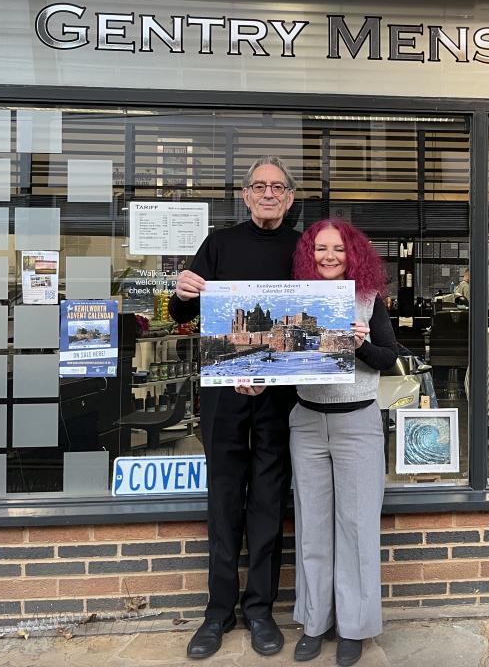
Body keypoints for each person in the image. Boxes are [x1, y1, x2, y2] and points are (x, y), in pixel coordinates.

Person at [169, 156, 299, 660]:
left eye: (278, 187)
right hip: (224, 391)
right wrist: (181, 290)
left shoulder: (303, 248)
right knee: (223, 501)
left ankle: (261, 610)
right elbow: (183, 310)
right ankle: (217, 612)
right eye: (259, 186)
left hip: (282, 394)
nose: (268, 194)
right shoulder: (220, 243)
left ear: (289, 198)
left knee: (269, 503)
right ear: (246, 195)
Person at [289, 220, 398, 667]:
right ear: (308, 254)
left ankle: (352, 627)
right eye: (320, 249)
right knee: (312, 527)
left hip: (357, 424)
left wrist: (360, 343)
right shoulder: (296, 300)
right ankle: (315, 622)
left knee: (355, 528)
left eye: (337, 248)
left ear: (352, 253)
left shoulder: (368, 300)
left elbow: (389, 359)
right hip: (307, 422)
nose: (329, 256)